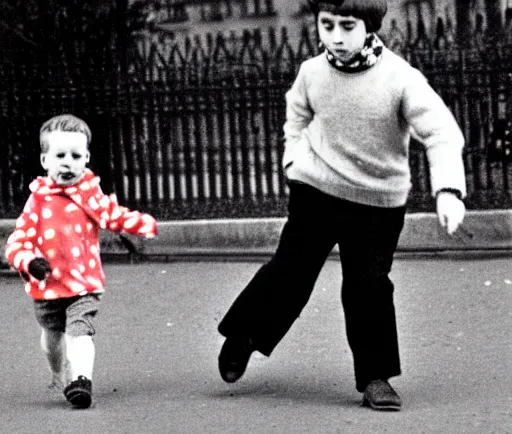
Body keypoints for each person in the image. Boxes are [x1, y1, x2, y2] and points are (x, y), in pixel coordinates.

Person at [217, 0, 466, 411]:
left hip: (378, 202)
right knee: (290, 272)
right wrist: (293, 159)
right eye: (326, 24)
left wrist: (448, 190)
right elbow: (295, 119)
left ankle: (375, 377)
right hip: (316, 190)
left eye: (346, 26)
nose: (335, 36)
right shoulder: (312, 73)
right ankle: (244, 335)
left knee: (368, 285)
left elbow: (441, 133)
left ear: (368, 26)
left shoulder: (399, 78)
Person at [5, 114, 157, 409]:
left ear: (86, 158)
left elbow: (113, 215)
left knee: (79, 330)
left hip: (83, 283)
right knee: (52, 337)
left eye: (76, 155)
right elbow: (17, 241)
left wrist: (141, 223)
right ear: (45, 160)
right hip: (48, 286)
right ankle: (56, 371)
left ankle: (82, 381)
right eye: (60, 155)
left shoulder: (90, 195)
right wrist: (29, 261)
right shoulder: (37, 201)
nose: (68, 162)